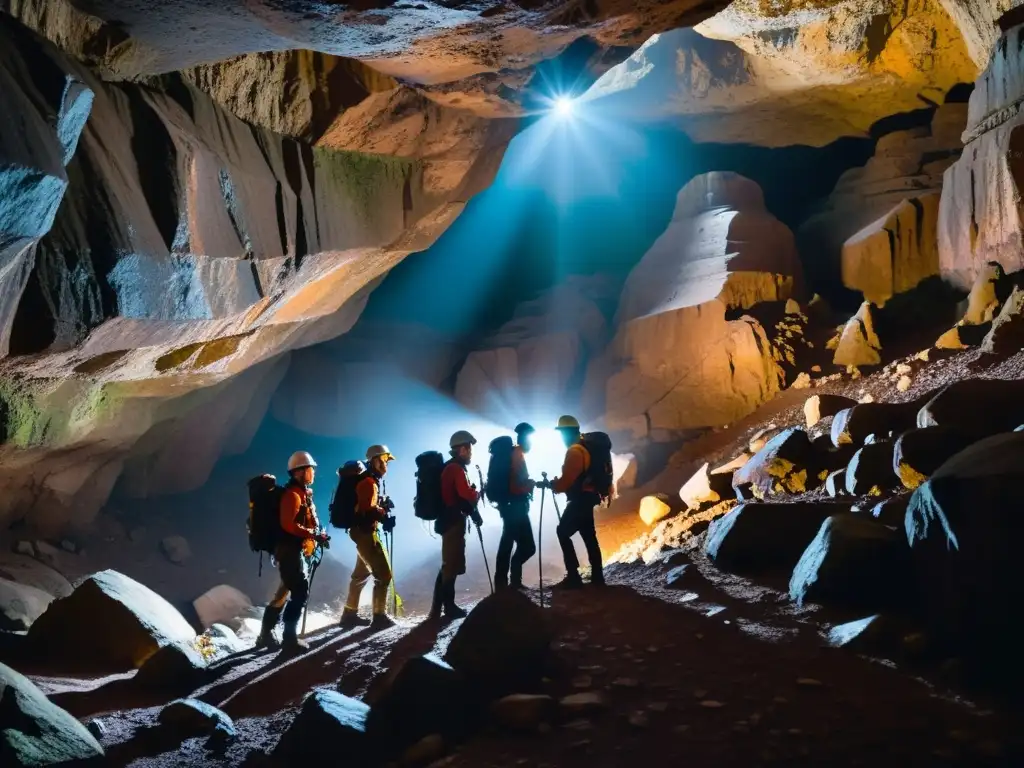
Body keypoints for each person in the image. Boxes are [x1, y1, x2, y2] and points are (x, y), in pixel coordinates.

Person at [256, 450, 329, 653]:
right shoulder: (292, 495)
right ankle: (289, 638)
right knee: (299, 592)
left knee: (283, 592)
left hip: (293, 549)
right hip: (289, 550)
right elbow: (288, 525)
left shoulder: (302, 493)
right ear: (300, 472)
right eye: (310, 469)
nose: (313, 473)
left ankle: (265, 635)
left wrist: (314, 535)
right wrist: (312, 534)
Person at [539, 415, 604, 589]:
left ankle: (574, 576)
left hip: (579, 500)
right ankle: (598, 576)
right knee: (589, 536)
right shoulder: (585, 447)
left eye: (561, 433)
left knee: (562, 531)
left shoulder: (575, 451)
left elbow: (566, 481)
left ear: (567, 433)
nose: (561, 437)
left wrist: (554, 485)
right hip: (588, 497)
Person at [340, 444, 397, 631]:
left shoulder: (368, 481)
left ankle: (349, 614)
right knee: (384, 575)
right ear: (375, 460)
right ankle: (379, 616)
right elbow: (366, 510)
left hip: (360, 531)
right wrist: (383, 514)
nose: (386, 465)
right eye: (384, 461)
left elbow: (366, 506)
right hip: (365, 533)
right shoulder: (369, 483)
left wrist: (381, 506)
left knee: (361, 574)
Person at [429, 430, 482, 620]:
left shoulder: (451, 467)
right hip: (452, 522)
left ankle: (438, 608)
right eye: (469, 448)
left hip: (449, 520)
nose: (471, 452)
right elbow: (466, 494)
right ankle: (447, 607)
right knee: (450, 564)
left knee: (449, 563)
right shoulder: (456, 469)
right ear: (462, 449)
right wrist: (476, 494)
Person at [495, 422, 537, 590]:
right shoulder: (517, 454)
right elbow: (515, 486)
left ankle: (506, 584)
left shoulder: (514, 453)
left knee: (508, 543)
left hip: (510, 506)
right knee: (527, 546)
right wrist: (530, 486)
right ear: (524, 438)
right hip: (515, 507)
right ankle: (511, 583)